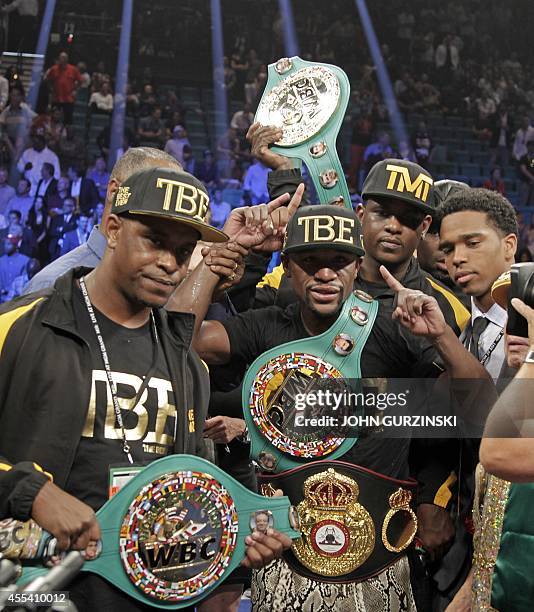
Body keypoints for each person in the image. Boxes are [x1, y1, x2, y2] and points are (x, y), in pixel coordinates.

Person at [173, 196, 490, 612]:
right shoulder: (268, 324)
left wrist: (441, 337)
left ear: (358, 268)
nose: (325, 274)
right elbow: (180, 340)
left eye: (339, 261)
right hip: (288, 565)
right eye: (309, 261)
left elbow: (481, 407)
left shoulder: (393, 325)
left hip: (381, 565)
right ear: (287, 265)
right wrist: (216, 261)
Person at [0, 166, 291, 612]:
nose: (170, 263)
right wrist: (31, 490)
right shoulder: (23, 326)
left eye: (183, 250)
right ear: (113, 229)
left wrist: (234, 545)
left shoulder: (186, 362)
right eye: (154, 240)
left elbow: (185, 502)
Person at [24, 148, 183, 294]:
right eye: (157, 196)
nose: (166, 212)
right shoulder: (52, 285)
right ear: (115, 192)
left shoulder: (167, 287)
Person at [44, 51, 82, 125]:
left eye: (64, 58)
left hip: (68, 99)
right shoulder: (53, 69)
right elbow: (47, 80)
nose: (62, 59)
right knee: (53, 119)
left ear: (67, 59)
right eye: (61, 58)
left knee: (68, 121)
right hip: (56, 98)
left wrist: (76, 91)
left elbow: (80, 81)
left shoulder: (73, 69)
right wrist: (51, 88)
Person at [0, 233, 29, 301]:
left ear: (15, 246)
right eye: (5, 244)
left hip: (16, 299)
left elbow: (25, 282)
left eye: (9, 244)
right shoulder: (1, 260)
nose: (5, 246)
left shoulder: (25, 260)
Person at [47, 196, 77, 261]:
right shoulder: (57, 218)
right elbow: (52, 232)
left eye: (67, 205)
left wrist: (60, 229)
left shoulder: (76, 220)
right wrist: (63, 230)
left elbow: (73, 233)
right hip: (55, 249)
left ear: (73, 207)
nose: (64, 207)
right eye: (64, 205)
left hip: (68, 249)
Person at [518, 139, 534, 206]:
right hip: (525, 182)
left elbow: (532, 168)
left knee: (532, 202)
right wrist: (532, 178)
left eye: (533, 146)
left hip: (532, 183)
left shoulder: (533, 159)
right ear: (527, 147)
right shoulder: (523, 158)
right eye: (530, 146)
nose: (531, 148)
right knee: (523, 201)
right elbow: (523, 170)